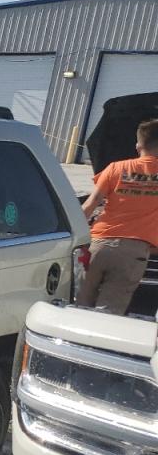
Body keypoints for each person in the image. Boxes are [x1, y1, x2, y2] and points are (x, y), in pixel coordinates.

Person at [78, 118, 158, 314]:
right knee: (108, 314)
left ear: (138, 144)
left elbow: (90, 204)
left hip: (98, 245)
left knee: (79, 306)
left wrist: (75, 236)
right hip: (132, 254)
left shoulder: (116, 168)